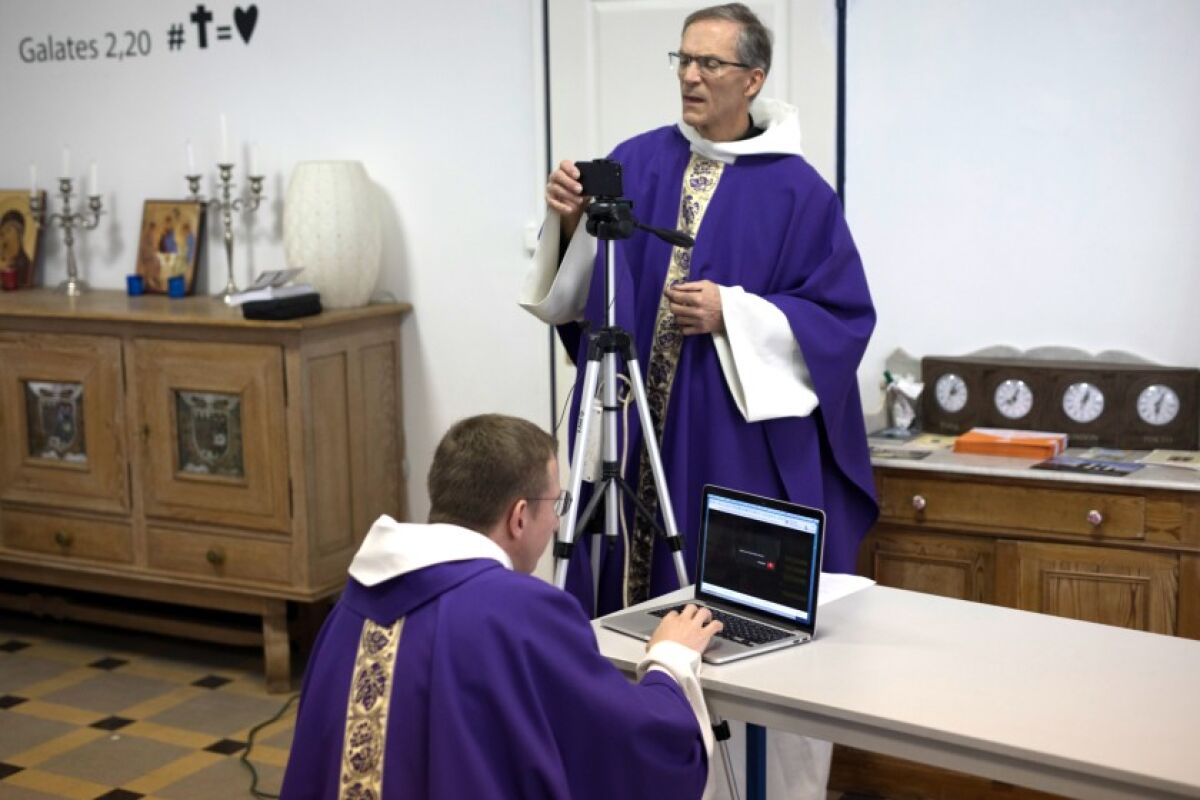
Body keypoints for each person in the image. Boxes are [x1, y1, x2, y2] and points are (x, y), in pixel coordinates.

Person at [521, 4, 877, 797]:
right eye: (682, 59)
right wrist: (567, 224)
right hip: (625, 438)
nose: (689, 76)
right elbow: (579, 298)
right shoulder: (636, 160)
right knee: (608, 604)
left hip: (725, 450)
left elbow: (843, 321)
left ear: (753, 79)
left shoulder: (800, 194)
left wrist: (736, 315)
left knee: (728, 634)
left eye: (709, 64)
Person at [280, 414, 724, 799]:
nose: (557, 521)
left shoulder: (352, 607)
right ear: (519, 516)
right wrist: (670, 660)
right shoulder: (520, 612)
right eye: (555, 504)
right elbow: (630, 747)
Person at [0, 210, 33, 287]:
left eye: (8, 230)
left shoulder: (23, 262)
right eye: (2, 232)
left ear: (20, 234)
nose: (4, 236)